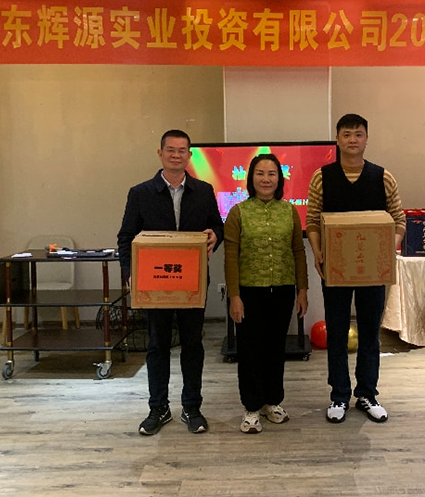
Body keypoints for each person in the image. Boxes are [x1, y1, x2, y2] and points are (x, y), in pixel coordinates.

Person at [117, 129, 224, 436]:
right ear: (160, 153)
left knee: (192, 345)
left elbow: (216, 226)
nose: (176, 155)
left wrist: (215, 235)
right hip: (155, 284)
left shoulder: (203, 191)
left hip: (193, 282)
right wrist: (130, 273)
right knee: (157, 345)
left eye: (182, 151)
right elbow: (126, 237)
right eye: (171, 150)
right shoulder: (140, 193)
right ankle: (158, 408)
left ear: (189, 155)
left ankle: (192, 407)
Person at [306, 114, 406, 424]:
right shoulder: (322, 177)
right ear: (337, 139)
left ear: (366, 139)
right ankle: (338, 395)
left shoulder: (383, 177)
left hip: (372, 269)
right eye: (347, 134)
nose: (353, 139)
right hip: (335, 268)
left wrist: (386, 251)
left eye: (358, 134)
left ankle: (367, 393)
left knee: (370, 333)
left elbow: (399, 220)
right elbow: (312, 220)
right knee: (336, 332)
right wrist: (318, 251)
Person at [224, 154, 309, 434]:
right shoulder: (238, 212)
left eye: (272, 174)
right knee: (250, 350)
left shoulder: (289, 211)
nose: (266, 179)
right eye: (260, 173)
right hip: (248, 292)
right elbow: (230, 257)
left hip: (283, 290)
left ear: (279, 179)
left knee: (275, 348)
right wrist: (234, 296)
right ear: (251, 178)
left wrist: (302, 290)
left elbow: (298, 251)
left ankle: (272, 401)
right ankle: (251, 407)